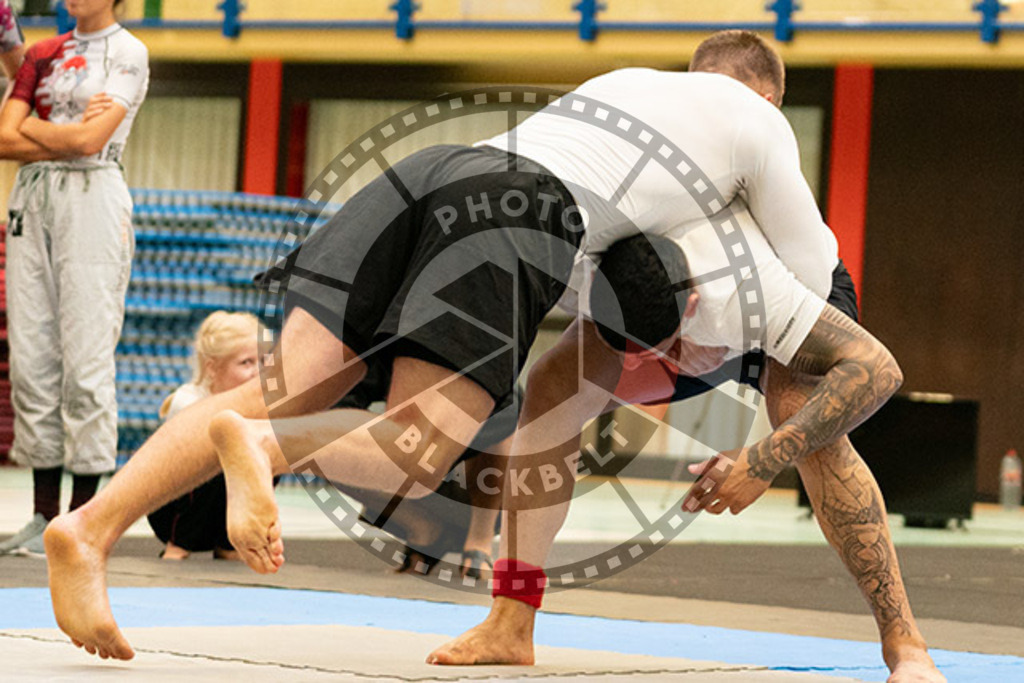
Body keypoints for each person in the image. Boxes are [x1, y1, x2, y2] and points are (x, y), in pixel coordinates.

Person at [40, 29, 908, 671]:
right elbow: (817, 278)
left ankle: (90, 527)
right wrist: (766, 446)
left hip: (427, 176)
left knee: (295, 384)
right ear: (766, 99)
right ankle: (268, 449)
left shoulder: (628, 90)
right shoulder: (751, 127)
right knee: (419, 449)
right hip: (521, 213)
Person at [425, 209, 943, 683]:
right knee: (553, 385)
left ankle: (906, 645)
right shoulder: (578, 247)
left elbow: (878, 371)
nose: (632, 365)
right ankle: (511, 621)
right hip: (663, 299)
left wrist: (762, 460)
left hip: (786, 303)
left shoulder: (757, 286)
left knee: (800, 419)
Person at [0, 0, 148, 558]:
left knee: (86, 360)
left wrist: (33, 127)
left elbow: (91, 144)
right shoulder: (41, 53)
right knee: (31, 358)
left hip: (93, 195)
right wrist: (64, 131)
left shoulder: (128, 51)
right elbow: (3, 138)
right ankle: (44, 516)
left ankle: (85, 520)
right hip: (32, 198)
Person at [146, 312, 259, 561]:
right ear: (213, 368)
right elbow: (175, 469)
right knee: (216, 455)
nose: (257, 371)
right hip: (172, 508)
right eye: (246, 363)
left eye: (263, 361)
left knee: (267, 452)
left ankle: (229, 541)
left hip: (217, 511)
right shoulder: (187, 401)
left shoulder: (257, 404)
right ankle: (179, 544)